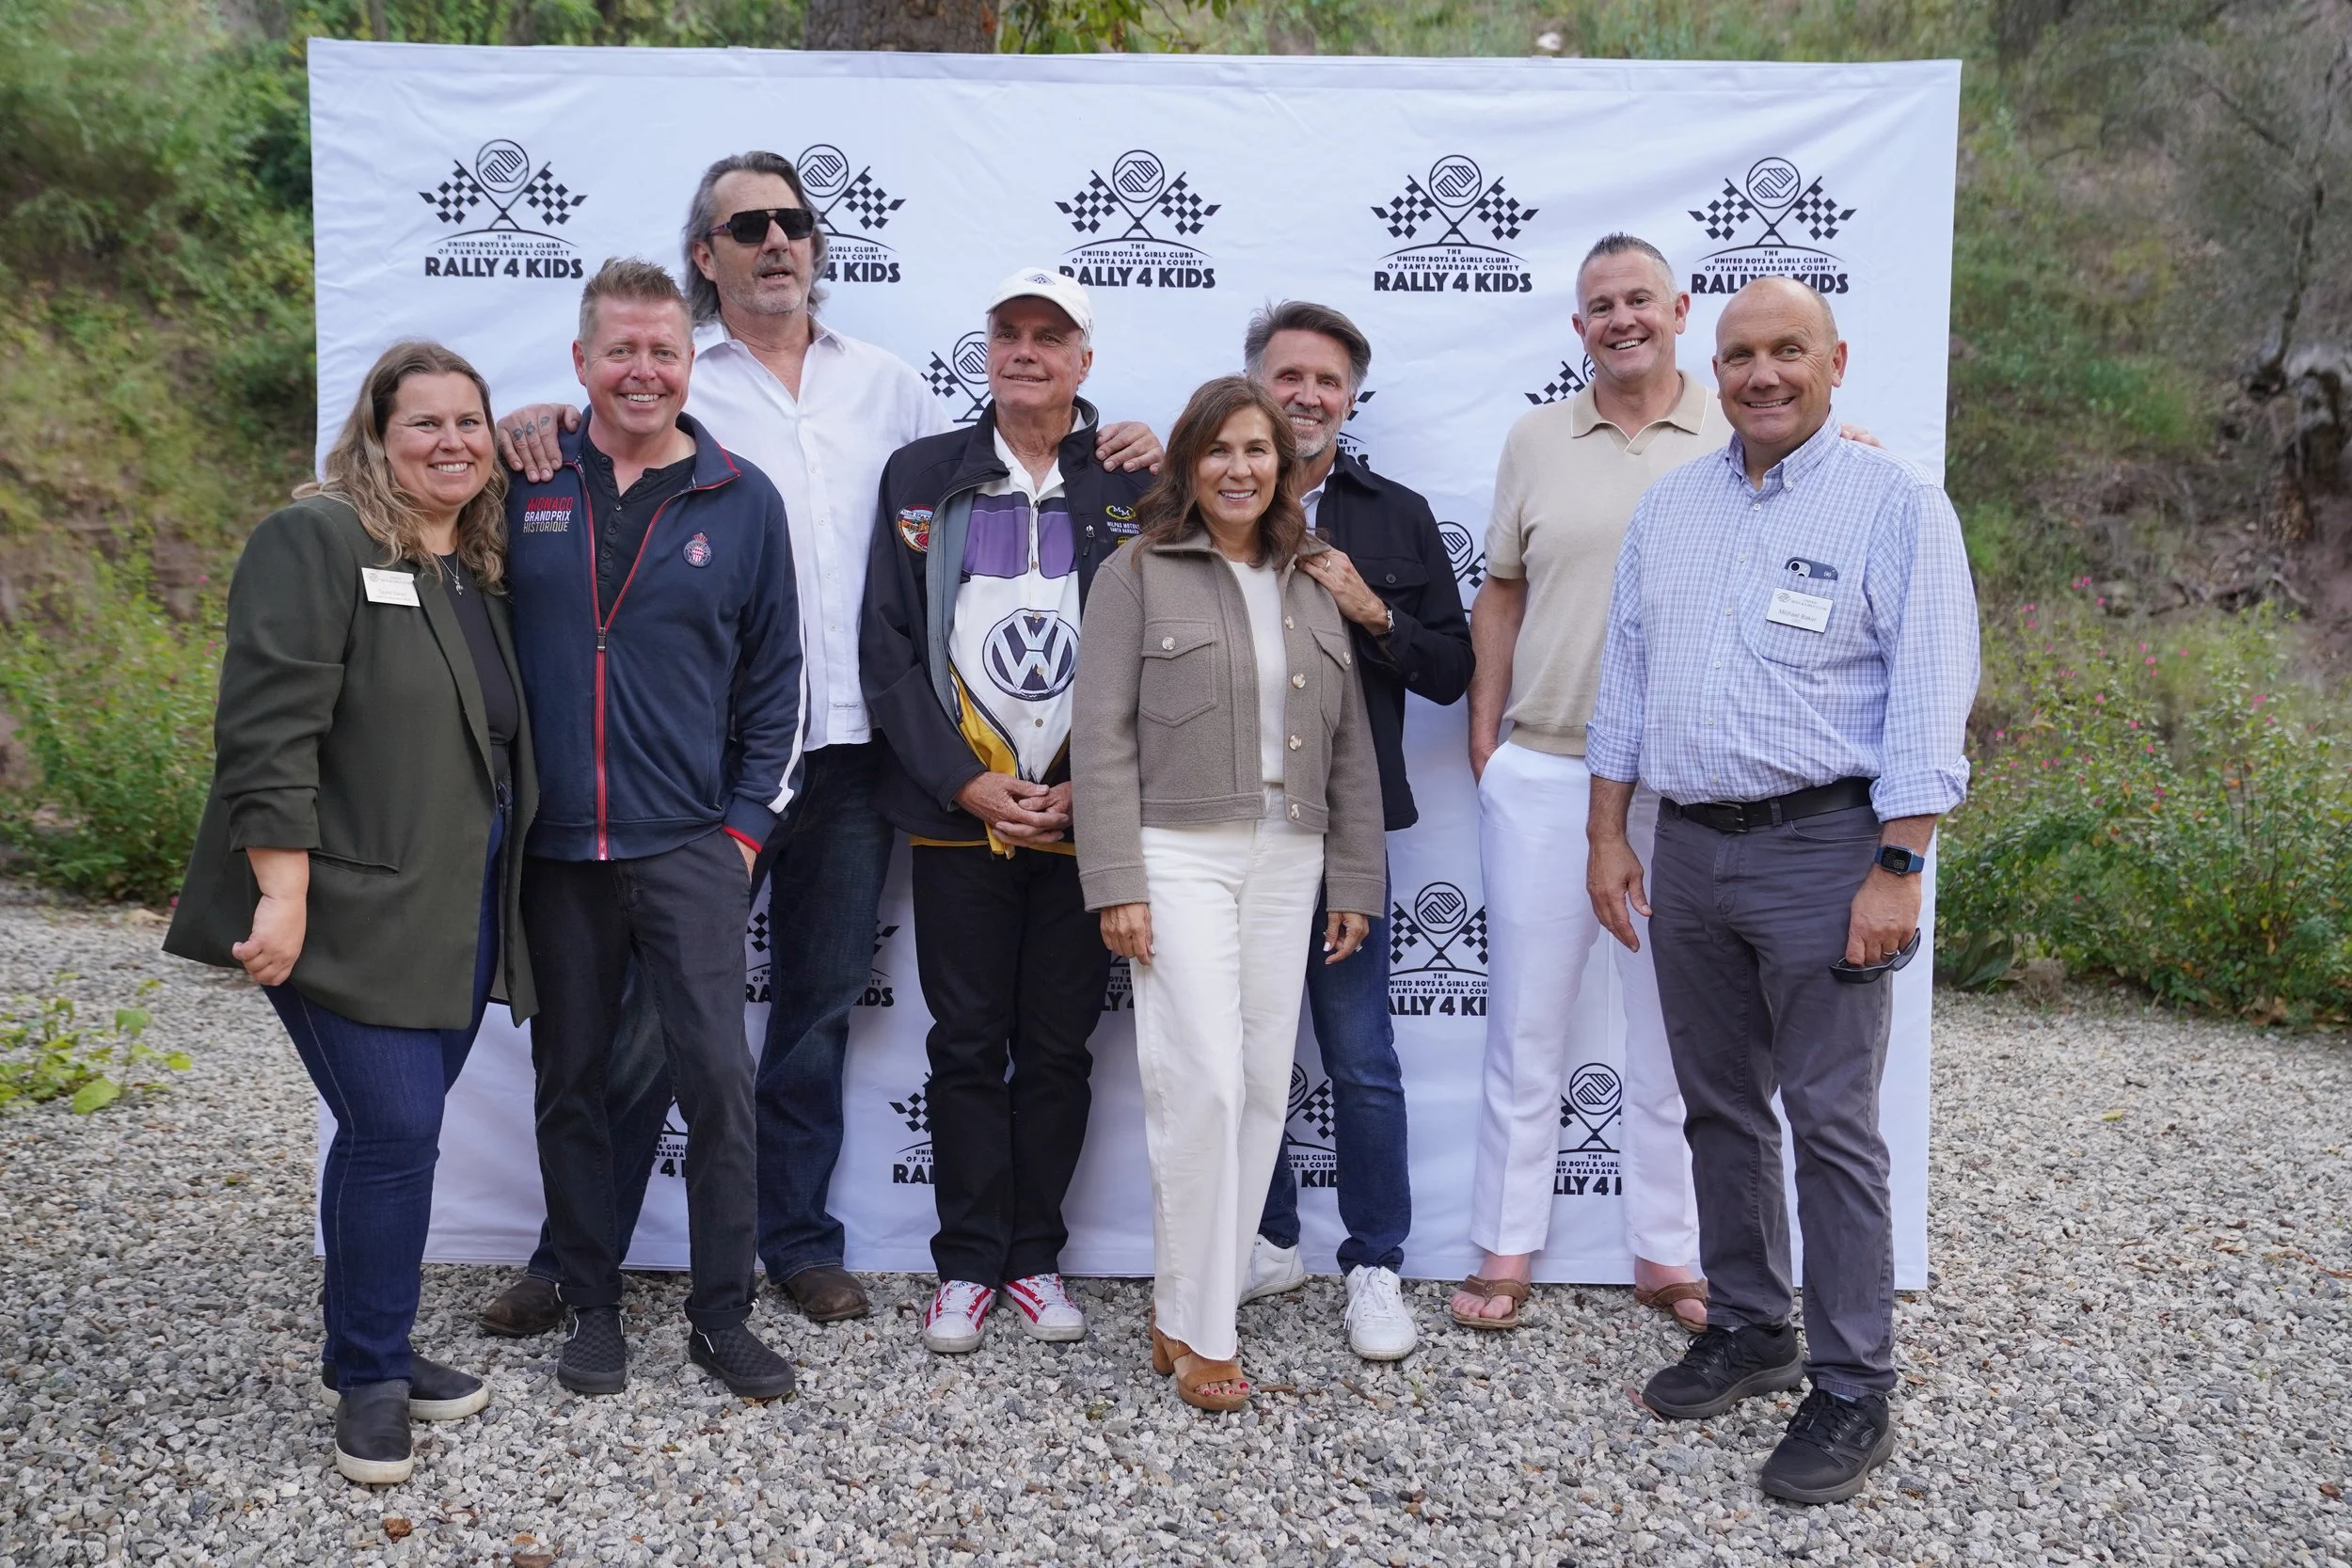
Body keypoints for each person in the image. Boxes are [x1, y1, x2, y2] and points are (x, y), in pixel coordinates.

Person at [482, 153, 1160, 1334]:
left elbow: (981, 480)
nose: (777, 242)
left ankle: (793, 1243)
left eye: (794, 221)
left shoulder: (892, 388)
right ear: (708, 254)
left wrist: (1122, 444)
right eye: (748, 226)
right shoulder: (682, 376)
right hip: (705, 760)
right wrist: (533, 419)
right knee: (641, 1021)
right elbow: (606, 437)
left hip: (855, 757)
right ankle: (570, 1254)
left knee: (813, 1013)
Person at [1586, 276, 1979, 1504]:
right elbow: (1628, 685)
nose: (1763, 373)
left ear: (1836, 359)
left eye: (1788, 351)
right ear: (1718, 364)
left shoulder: (1898, 505)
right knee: (1717, 1105)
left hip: (1827, 849)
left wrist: (1899, 865)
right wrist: (1611, 833)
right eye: (1743, 353)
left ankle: (1854, 1381)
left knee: (1831, 1120)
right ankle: (1753, 1322)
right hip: (1691, 847)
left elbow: (1926, 697)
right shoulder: (1673, 508)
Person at [165, 341, 534, 1484]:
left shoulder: (466, 566)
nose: (452, 442)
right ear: (373, 435)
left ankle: (368, 1341)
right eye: (422, 423)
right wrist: (281, 889)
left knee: (392, 1141)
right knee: (392, 1131)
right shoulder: (316, 539)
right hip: (341, 905)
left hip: (456, 908)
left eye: (469, 422)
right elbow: (267, 730)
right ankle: (369, 1375)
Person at [504, 258, 803, 1402]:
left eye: (664, 351)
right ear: (581, 362)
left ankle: (720, 1312)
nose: (643, 369)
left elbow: (777, 678)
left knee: (719, 1082)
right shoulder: (523, 476)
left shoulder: (742, 496)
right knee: (571, 1079)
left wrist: (736, 834)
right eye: (620, 350)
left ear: (692, 364)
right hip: (556, 849)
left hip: (689, 844)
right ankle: (591, 1304)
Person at [1073, 375, 1385, 1412]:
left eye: (1258, 450)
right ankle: (1208, 1331)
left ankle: (1182, 1305)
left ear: (1285, 464)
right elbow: (1102, 738)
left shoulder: (1311, 578)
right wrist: (1115, 878)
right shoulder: (1136, 572)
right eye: (1219, 451)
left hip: (1288, 854)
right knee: (1199, 1079)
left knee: (1257, 1088)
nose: (1240, 469)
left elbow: (1347, 748)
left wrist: (1354, 873)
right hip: (1178, 852)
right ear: (1188, 464)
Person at [862, 268, 1153, 1354]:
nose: (1026, 350)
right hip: (959, 814)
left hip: (1090, 813)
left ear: (1085, 359)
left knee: (1062, 1046)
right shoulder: (923, 473)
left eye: (1051, 336)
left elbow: (1163, 658)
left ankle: (1038, 1257)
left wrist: (1097, 788)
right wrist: (961, 778)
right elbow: (887, 650)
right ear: (985, 348)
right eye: (1009, 333)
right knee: (966, 1041)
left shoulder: (1131, 479)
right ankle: (966, 1263)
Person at [1454, 234, 1718, 1334]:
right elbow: (1501, 594)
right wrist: (1487, 738)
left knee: (1675, 1030)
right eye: (1600, 304)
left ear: (1679, 309)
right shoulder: (1532, 439)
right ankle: (1504, 1248)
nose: (1621, 318)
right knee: (1525, 1026)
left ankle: (1670, 1252)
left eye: (1639, 299)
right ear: (1577, 328)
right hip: (1549, 765)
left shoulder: (1732, 431)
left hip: (1684, 783)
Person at [1234, 302, 1472, 1360]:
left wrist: (1372, 609)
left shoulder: (1397, 513)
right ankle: (1268, 1235)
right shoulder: (1210, 496)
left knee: (1360, 1055)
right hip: (1229, 821)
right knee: (1243, 1052)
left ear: (1350, 396)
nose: (1307, 395)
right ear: (1256, 382)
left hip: (1348, 826)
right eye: (1288, 375)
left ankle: (1375, 1259)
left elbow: (1452, 669)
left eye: (1327, 380)